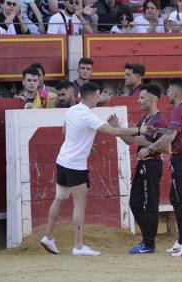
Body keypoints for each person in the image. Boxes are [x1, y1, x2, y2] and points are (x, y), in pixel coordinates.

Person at [39, 82, 151, 256]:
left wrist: (83, 143)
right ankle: (78, 246)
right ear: (91, 96)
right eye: (98, 96)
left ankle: (48, 236)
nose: (99, 99)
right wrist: (138, 129)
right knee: (79, 204)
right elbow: (112, 132)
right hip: (75, 165)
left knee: (60, 198)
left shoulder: (73, 110)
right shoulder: (87, 115)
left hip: (62, 160)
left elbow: (64, 131)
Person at [138, 78, 182, 257]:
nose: (166, 95)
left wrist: (149, 149)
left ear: (174, 93)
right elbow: (176, 132)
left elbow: (171, 137)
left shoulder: (176, 111)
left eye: (168, 92)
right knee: (176, 198)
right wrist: (157, 132)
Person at [112, 84, 167, 254]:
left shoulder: (160, 120)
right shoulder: (145, 120)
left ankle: (148, 243)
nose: (138, 100)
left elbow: (165, 147)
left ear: (152, 99)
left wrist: (147, 144)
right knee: (135, 203)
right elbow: (131, 141)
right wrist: (116, 128)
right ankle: (148, 240)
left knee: (149, 204)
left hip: (152, 164)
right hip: (143, 165)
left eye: (142, 97)